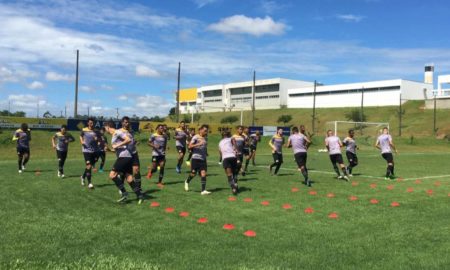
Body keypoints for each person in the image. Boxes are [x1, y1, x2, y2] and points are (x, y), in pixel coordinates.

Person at [105, 121, 143, 204]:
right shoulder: (114, 134)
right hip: (127, 157)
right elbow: (121, 148)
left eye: (105, 128)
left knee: (112, 175)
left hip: (124, 157)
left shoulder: (117, 132)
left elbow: (128, 139)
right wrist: (110, 150)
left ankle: (124, 193)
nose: (105, 130)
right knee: (129, 179)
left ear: (108, 127)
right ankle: (139, 195)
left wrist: (117, 145)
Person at [184, 124, 211, 195]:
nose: (206, 132)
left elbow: (204, 147)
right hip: (195, 158)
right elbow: (189, 146)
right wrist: (198, 144)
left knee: (203, 173)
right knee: (193, 173)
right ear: (201, 130)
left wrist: (206, 153)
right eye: (205, 131)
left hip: (203, 159)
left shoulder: (206, 138)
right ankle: (187, 181)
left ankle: (203, 190)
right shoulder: (195, 137)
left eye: (207, 131)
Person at [121, 117, 144, 202]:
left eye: (128, 123)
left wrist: (135, 142)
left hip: (134, 153)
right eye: (125, 122)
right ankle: (121, 187)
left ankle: (139, 189)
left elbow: (132, 141)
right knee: (123, 172)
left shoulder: (132, 132)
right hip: (125, 154)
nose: (127, 124)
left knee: (137, 170)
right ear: (122, 123)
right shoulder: (119, 132)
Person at [79, 117, 99, 189]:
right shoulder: (84, 130)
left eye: (93, 122)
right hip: (86, 150)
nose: (92, 124)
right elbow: (81, 136)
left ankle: (83, 176)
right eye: (90, 122)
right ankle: (90, 183)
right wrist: (82, 142)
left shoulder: (96, 131)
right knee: (89, 166)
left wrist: (97, 140)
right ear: (88, 123)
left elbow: (99, 140)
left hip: (94, 151)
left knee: (89, 166)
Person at [219, 130, 239, 195]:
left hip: (225, 158)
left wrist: (221, 159)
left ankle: (233, 188)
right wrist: (237, 156)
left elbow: (220, 152)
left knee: (229, 174)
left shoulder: (220, 142)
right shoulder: (231, 138)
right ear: (229, 134)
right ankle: (235, 184)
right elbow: (235, 147)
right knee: (234, 173)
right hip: (233, 157)